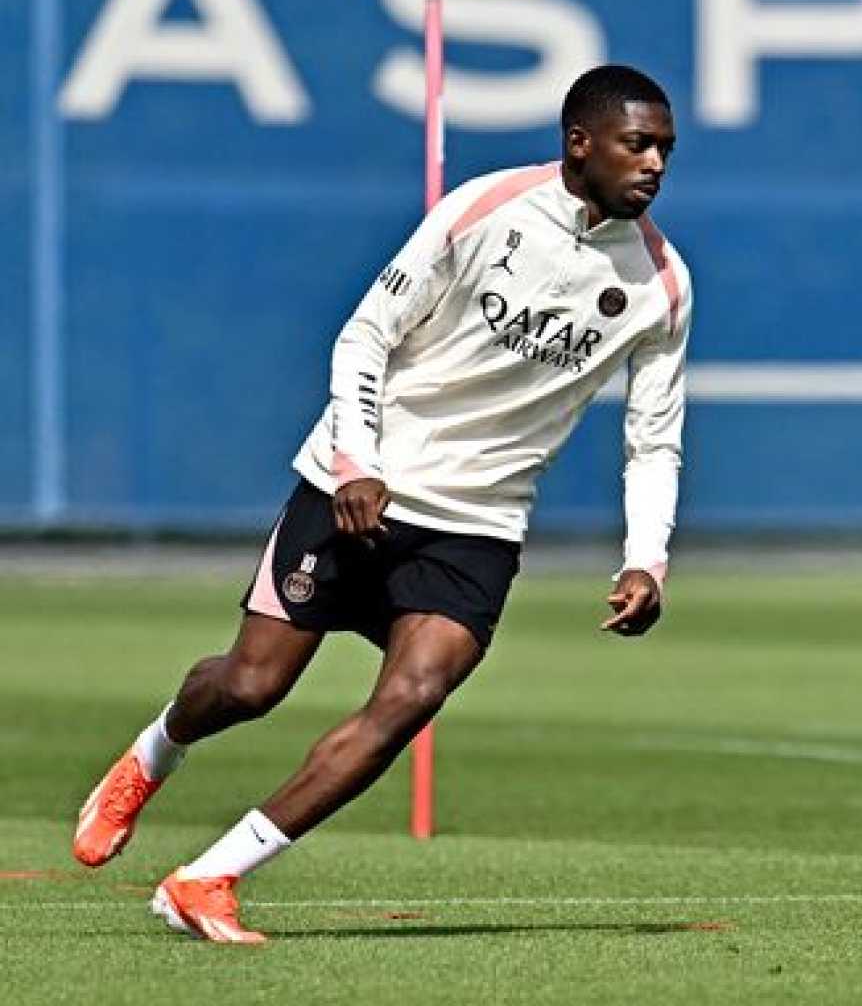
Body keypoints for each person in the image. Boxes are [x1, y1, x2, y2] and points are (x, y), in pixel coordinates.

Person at [71, 64, 692, 945]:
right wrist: (356, 462)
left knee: (411, 696)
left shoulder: (663, 285)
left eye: (665, 148)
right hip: (361, 482)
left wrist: (645, 558)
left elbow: (653, 438)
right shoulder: (484, 208)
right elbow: (366, 333)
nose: (655, 164)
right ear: (579, 142)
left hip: (478, 522)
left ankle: (207, 879)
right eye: (638, 144)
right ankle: (152, 754)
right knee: (250, 686)